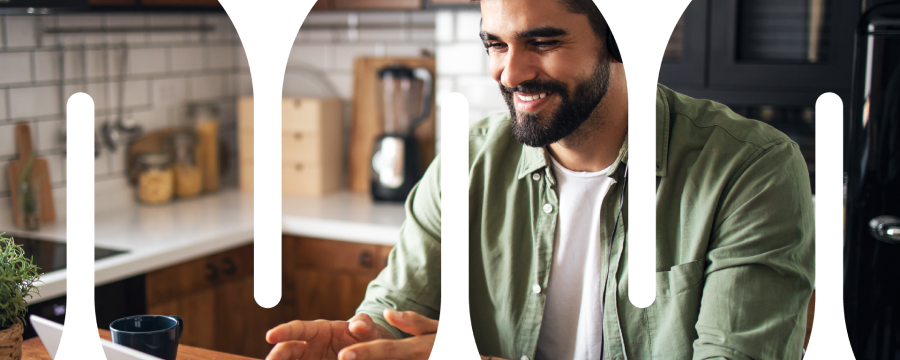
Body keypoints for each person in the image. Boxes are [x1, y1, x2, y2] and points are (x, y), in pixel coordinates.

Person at [264, 0, 815, 359]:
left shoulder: (751, 170)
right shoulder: (465, 160)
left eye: (543, 43)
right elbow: (399, 305)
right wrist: (360, 342)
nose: (510, 73)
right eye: (496, 45)